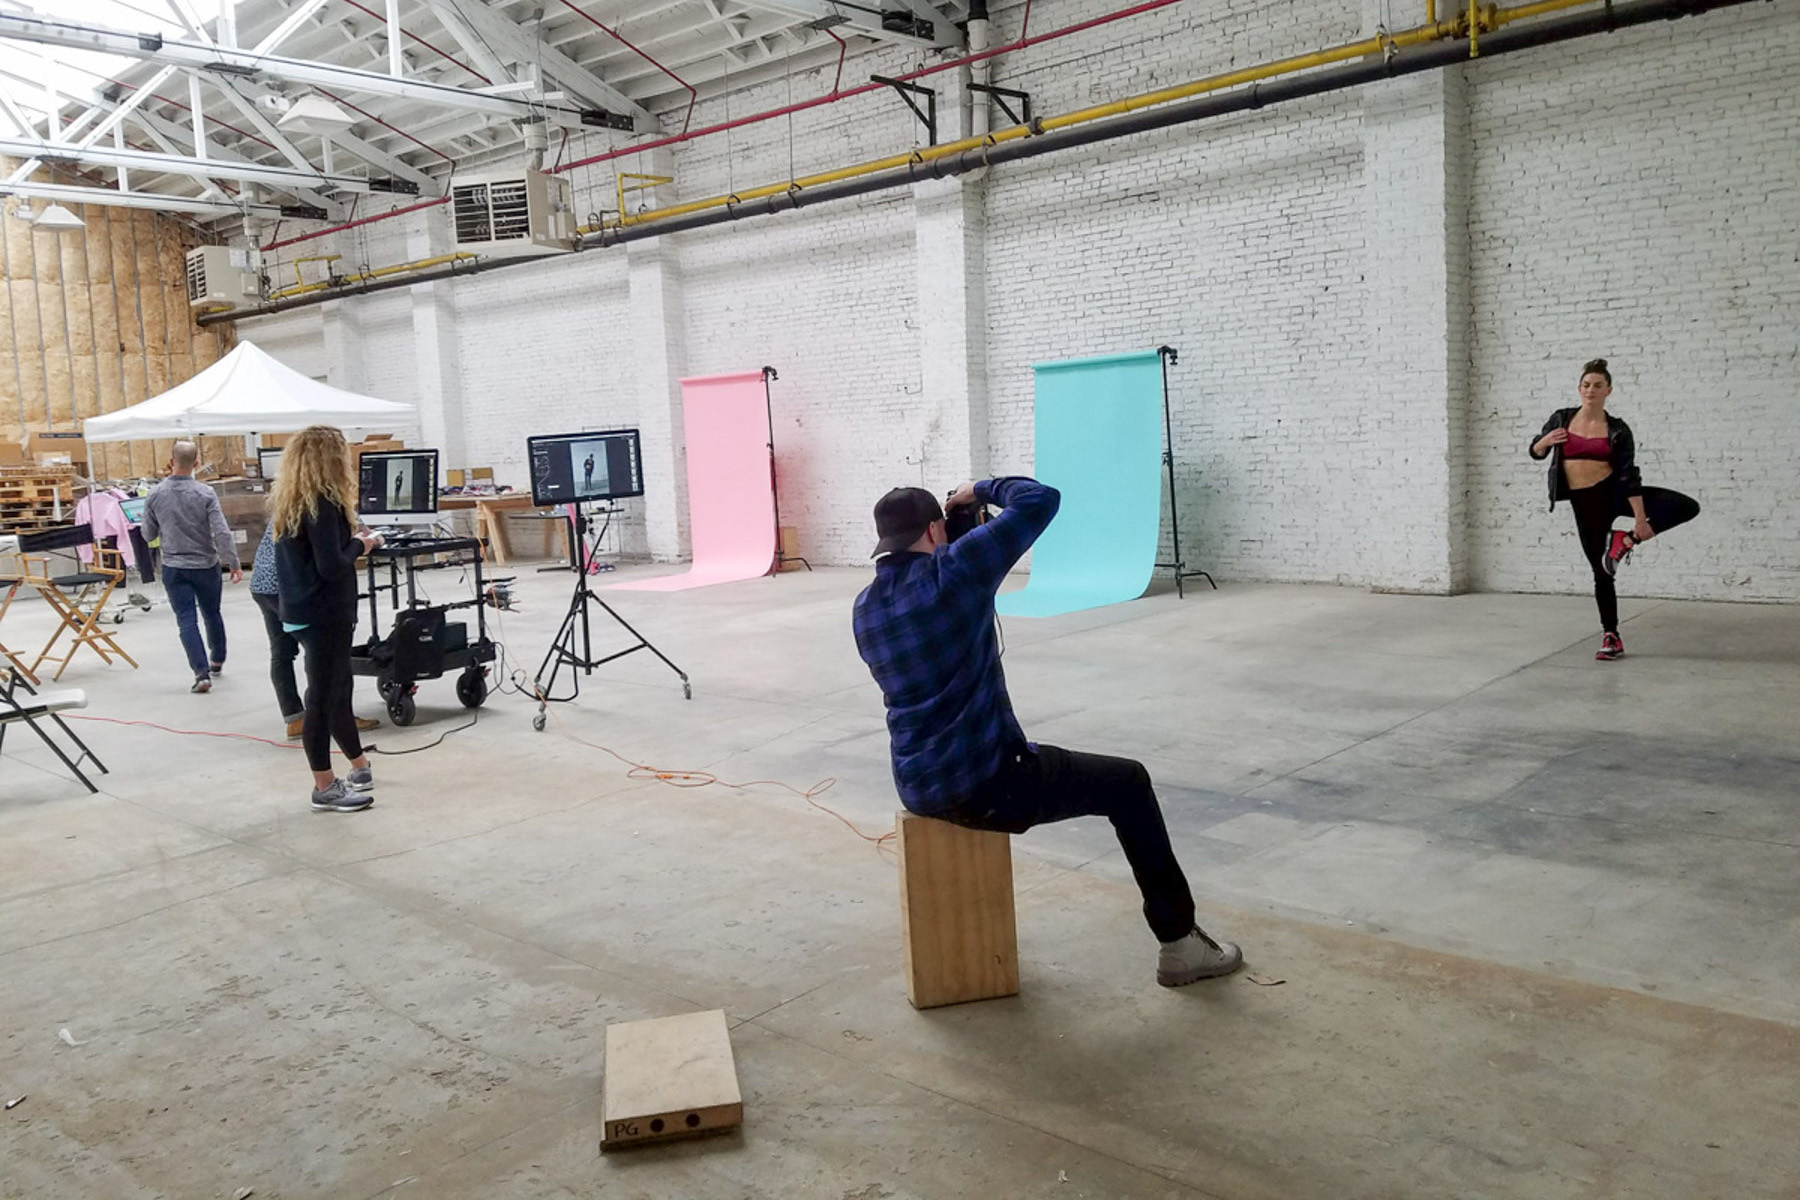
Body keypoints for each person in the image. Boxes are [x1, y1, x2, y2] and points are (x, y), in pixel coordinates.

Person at [853, 479, 1243, 987]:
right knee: (1129, 784)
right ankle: (1180, 944)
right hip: (990, 783)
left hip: (918, 783)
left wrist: (962, 532)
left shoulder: (866, 606)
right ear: (934, 528)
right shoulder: (957, 570)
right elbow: (1042, 499)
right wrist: (980, 489)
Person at [1529, 358, 1699, 660]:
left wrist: (1639, 521)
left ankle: (1625, 540)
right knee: (1602, 571)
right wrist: (1543, 441)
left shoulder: (1617, 429)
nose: (1590, 390)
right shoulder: (1561, 418)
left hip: (1612, 493)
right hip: (1584, 504)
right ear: (1579, 388)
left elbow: (1627, 474)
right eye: (1586, 385)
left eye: (1597, 385)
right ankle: (1611, 636)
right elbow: (1536, 452)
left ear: (1609, 390)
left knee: (1685, 506)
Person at [271, 425, 383, 813]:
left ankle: (358, 766)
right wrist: (364, 543)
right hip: (325, 613)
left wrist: (347, 537)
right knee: (321, 698)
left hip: (301, 610)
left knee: (334, 692)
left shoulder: (293, 502)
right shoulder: (325, 504)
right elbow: (333, 566)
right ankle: (324, 785)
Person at [249, 522, 381, 741]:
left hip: (263, 584)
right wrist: (371, 540)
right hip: (289, 586)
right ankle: (339, 717)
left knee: (282, 653)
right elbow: (362, 537)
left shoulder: (287, 502)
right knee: (329, 653)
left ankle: (294, 719)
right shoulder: (326, 505)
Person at [141, 440, 241, 693]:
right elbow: (221, 532)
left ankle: (201, 673)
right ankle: (217, 659)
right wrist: (234, 561)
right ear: (196, 464)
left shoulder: (155, 494)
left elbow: (147, 533)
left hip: (174, 566)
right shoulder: (206, 493)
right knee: (212, 612)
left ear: (171, 462)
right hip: (206, 565)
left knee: (186, 619)